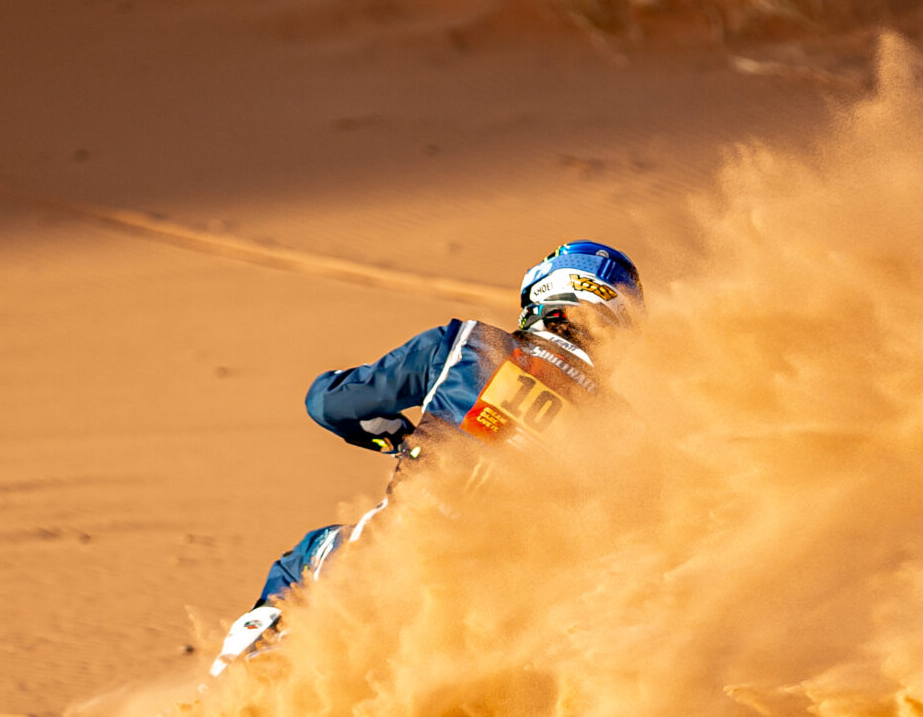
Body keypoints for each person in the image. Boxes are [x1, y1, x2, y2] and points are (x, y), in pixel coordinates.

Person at [208, 240, 644, 676]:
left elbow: (330, 403)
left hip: (399, 554)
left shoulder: (469, 346)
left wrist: (391, 435)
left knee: (300, 566)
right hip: (505, 612)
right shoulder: (620, 426)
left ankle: (221, 701)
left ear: (544, 293)